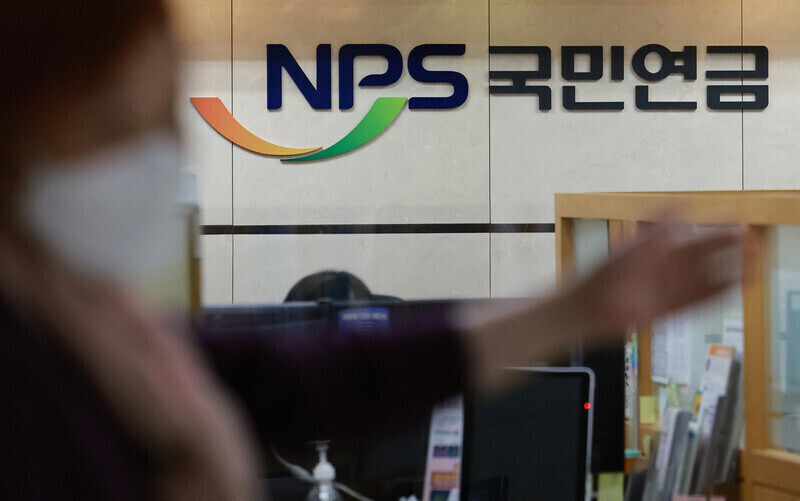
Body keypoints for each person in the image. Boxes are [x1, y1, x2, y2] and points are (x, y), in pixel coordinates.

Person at [0, 1, 741, 500]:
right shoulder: (26, 365)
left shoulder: (104, 337)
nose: (155, 159)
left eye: (165, 122)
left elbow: (321, 379)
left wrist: (578, 308)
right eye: (110, 125)